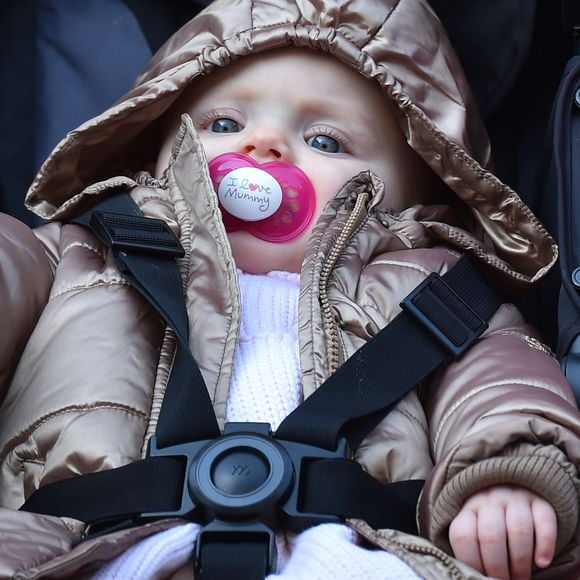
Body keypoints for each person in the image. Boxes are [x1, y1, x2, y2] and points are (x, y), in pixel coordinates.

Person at [0, 1, 578, 579]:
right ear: (152, 152)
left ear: (413, 193)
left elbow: (502, 386)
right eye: (223, 125)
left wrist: (505, 475)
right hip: (94, 545)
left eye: (326, 140)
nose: (263, 142)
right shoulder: (73, 254)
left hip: (353, 549)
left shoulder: (439, 291)